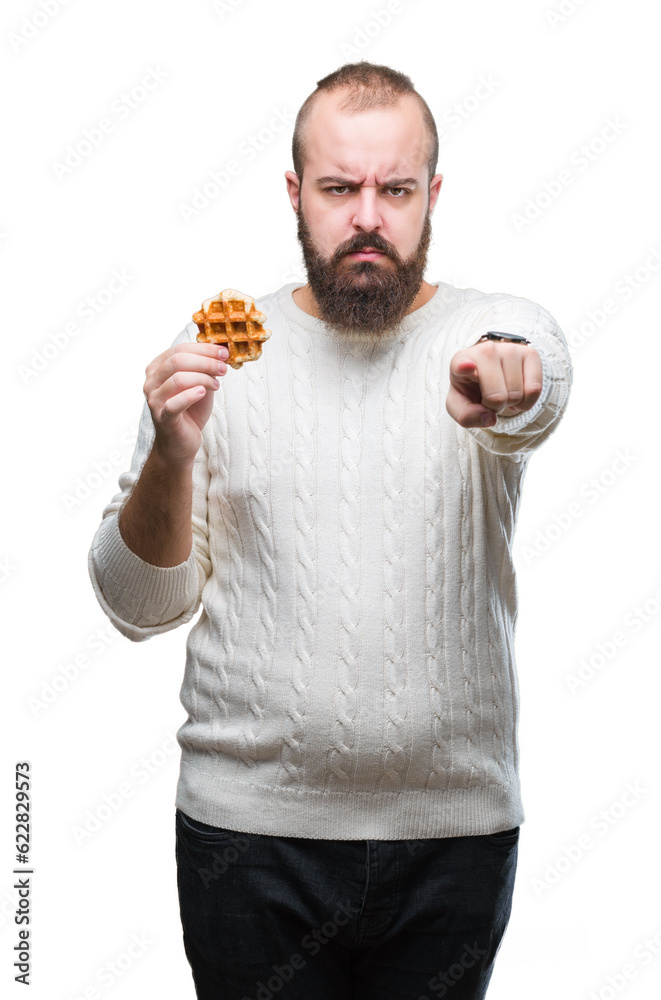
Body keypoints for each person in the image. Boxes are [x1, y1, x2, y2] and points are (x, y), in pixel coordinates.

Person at [89, 62, 572, 1000]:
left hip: (454, 839)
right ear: (294, 194)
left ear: (431, 197)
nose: (367, 217)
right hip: (248, 840)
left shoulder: (487, 331)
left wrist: (514, 378)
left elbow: (537, 375)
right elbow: (139, 607)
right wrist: (171, 456)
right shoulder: (216, 358)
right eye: (339, 188)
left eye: (394, 190)